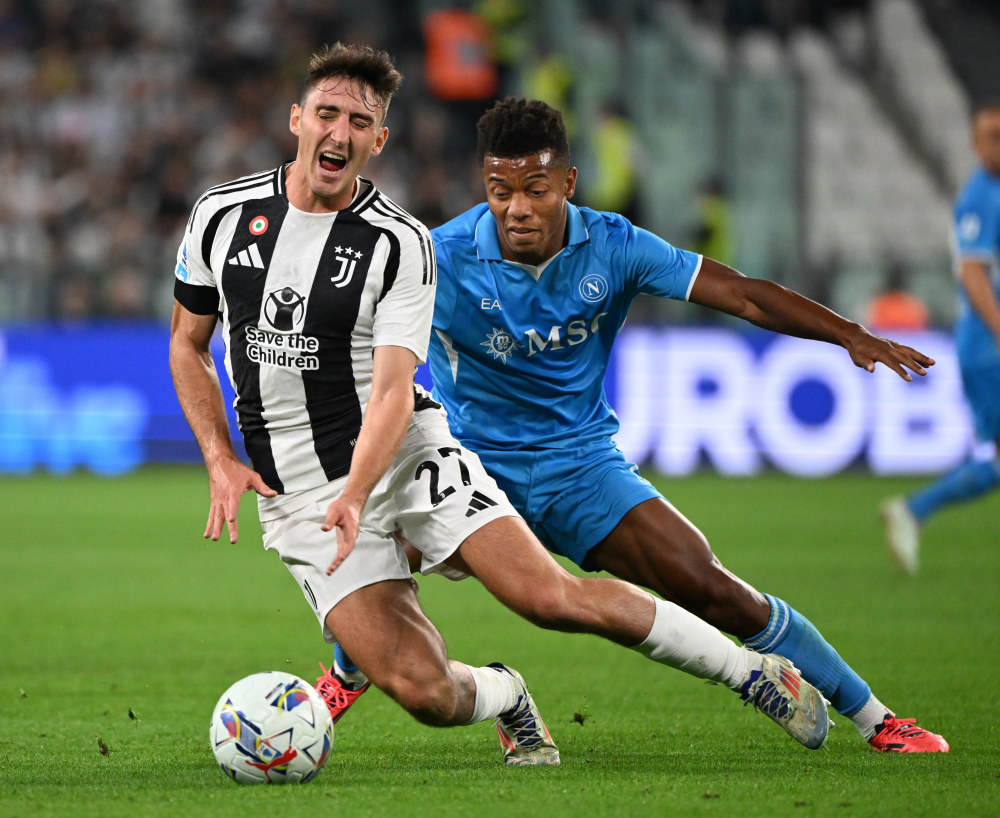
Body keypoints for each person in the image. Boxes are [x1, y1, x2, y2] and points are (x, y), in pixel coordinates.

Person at [168, 45, 831, 768]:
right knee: (425, 692)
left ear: (378, 141)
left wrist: (358, 491)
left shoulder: (401, 244)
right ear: (298, 119)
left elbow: (393, 390)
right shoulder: (220, 215)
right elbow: (187, 344)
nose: (339, 133)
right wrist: (219, 456)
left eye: (359, 122)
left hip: (405, 455)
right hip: (298, 493)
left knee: (548, 597)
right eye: (327, 113)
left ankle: (750, 673)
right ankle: (506, 693)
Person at [329, 97, 949, 754]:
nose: (516, 209)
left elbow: (741, 294)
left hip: (581, 467)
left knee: (712, 587)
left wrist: (848, 334)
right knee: (369, 552)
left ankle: (877, 719)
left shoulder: (615, 246)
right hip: (472, 466)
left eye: (535, 189)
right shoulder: (438, 257)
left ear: (568, 183)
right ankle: (343, 677)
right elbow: (353, 339)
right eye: (499, 191)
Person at [881, 102, 1000, 574]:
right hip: (988, 345)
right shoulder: (981, 196)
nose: (998, 145)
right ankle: (914, 509)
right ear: (974, 144)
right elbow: (972, 272)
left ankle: (914, 510)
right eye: (990, 136)